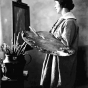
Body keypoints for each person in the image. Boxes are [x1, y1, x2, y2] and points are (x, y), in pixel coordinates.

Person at [39, 0, 79, 88]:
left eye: (56, 3)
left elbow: (64, 46)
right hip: (55, 57)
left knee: (59, 83)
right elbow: (54, 37)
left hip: (62, 61)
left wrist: (47, 41)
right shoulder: (62, 20)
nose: (55, 6)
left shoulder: (69, 22)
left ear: (63, 4)